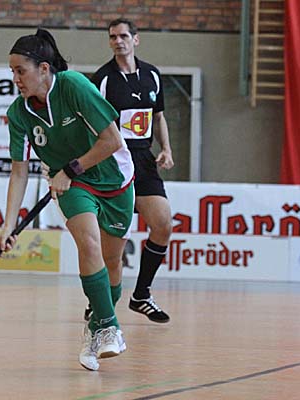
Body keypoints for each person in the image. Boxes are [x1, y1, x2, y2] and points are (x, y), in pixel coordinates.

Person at [0, 28, 135, 371]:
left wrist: (71, 169)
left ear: (44, 69)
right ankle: (109, 327)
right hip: (72, 184)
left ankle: (95, 325)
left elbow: (112, 141)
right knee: (88, 244)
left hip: (114, 177)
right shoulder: (19, 113)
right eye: (12, 71)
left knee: (112, 260)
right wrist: (8, 224)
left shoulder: (73, 85)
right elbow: (19, 172)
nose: (16, 79)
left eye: (21, 71)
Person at [87, 18, 174, 324]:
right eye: (113, 37)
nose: (118, 41)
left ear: (136, 39)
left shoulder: (152, 75)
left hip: (144, 160)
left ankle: (141, 295)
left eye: (124, 36)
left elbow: (158, 116)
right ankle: (100, 301)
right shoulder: (102, 79)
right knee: (112, 244)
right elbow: (90, 123)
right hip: (112, 162)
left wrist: (166, 148)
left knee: (163, 224)